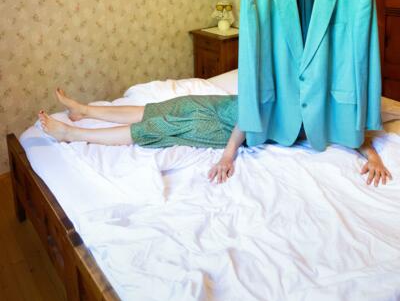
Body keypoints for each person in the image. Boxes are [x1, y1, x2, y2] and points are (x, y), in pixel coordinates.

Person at [38, 88, 393, 187]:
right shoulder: (305, 92)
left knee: (162, 124)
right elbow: (253, 110)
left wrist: (374, 158)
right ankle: (85, 110)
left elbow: (358, 137)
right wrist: (227, 155)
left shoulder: (331, 114)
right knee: (165, 107)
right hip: (231, 110)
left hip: (230, 123)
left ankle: (72, 131)